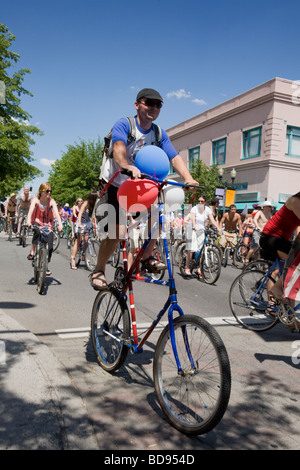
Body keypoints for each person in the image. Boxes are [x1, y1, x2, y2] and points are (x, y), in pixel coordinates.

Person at [90, 88, 198, 290]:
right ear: (137, 104)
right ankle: (99, 269)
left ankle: (147, 255)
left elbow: (173, 157)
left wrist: (189, 178)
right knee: (117, 231)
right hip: (115, 185)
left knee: (160, 213)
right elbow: (119, 148)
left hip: (139, 187)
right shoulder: (124, 124)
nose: (154, 108)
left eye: (158, 105)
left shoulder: (158, 133)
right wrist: (126, 166)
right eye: (149, 103)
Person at [259, 192, 300, 302]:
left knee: (290, 274)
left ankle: (289, 316)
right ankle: (273, 297)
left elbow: (298, 230)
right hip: (270, 237)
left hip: (281, 240)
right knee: (293, 265)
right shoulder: (294, 201)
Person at [26, 183, 63, 276]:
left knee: (50, 248)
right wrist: (28, 222)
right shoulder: (35, 200)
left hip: (48, 224)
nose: (49, 193)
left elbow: (57, 214)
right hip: (37, 222)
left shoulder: (51, 201)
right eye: (47, 191)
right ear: (41, 191)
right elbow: (30, 212)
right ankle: (32, 251)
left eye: (50, 191)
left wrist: (60, 224)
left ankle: (45, 265)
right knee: (37, 232)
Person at [185, 195, 222, 276]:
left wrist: (219, 228)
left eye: (202, 201)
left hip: (201, 230)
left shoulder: (208, 209)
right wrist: (195, 226)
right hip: (193, 230)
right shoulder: (194, 208)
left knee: (201, 250)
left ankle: (199, 268)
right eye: (199, 201)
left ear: (205, 202)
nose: (200, 203)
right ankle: (187, 267)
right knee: (191, 249)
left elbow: (212, 219)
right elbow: (193, 219)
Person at [71, 192, 97, 270]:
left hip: (88, 222)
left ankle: (84, 254)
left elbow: (95, 215)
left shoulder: (94, 204)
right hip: (81, 222)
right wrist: (79, 224)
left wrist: (96, 225)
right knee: (78, 241)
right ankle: (73, 259)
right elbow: (80, 214)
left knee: (86, 240)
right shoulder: (86, 203)